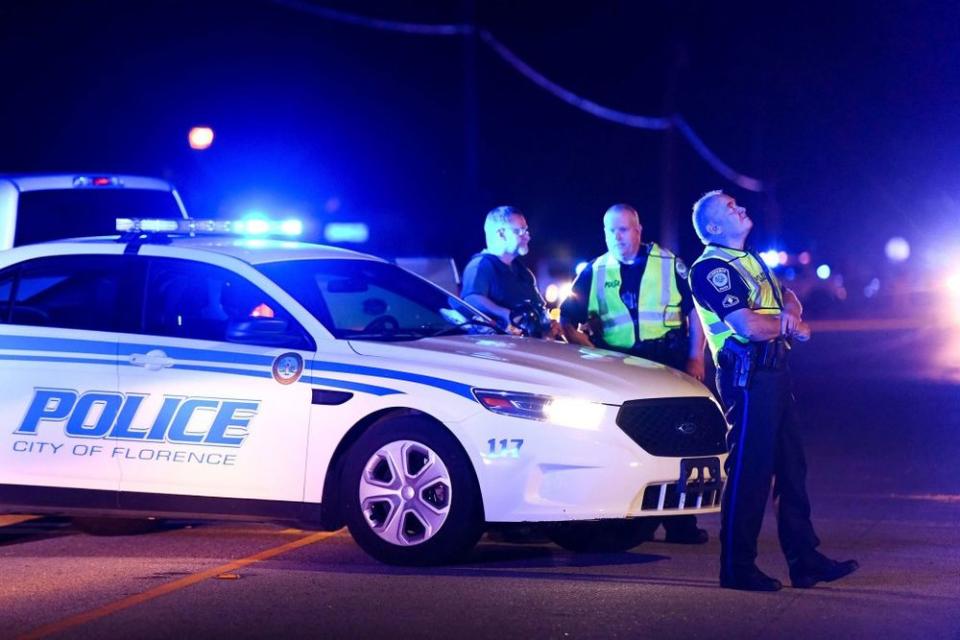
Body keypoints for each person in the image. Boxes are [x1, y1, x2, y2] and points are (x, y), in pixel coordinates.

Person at [688, 189, 858, 592]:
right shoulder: (710, 268)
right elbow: (746, 326)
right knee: (750, 474)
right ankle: (737, 568)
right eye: (731, 208)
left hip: (775, 375)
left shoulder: (750, 259)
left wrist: (791, 314)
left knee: (792, 469)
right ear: (714, 227)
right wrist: (792, 326)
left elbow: (789, 296)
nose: (741, 208)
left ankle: (805, 561)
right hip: (748, 381)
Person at [560, 203, 708, 545]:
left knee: (678, 442)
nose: (616, 237)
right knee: (626, 445)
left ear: (638, 230)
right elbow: (567, 319)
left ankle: (681, 524)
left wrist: (695, 358)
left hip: (667, 362)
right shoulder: (596, 270)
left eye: (623, 229)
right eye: (610, 230)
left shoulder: (669, 264)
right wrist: (590, 350)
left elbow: (697, 311)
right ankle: (626, 520)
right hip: (618, 367)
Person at [461, 205, 558, 338]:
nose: (527, 237)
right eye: (520, 231)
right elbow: (471, 298)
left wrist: (548, 325)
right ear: (501, 234)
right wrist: (506, 314)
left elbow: (539, 308)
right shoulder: (481, 266)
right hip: (500, 352)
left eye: (526, 231)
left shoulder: (523, 271)